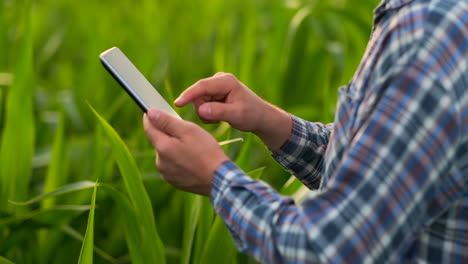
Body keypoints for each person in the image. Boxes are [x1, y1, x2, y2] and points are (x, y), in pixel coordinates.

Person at [143, 0, 468, 262]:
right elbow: (385, 172)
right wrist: (272, 122)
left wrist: (216, 179)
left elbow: (333, 249)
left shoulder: (428, 33)